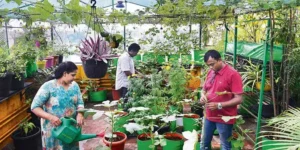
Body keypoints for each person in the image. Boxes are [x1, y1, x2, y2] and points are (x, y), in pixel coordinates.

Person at [31, 61, 84, 150]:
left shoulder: (75, 86)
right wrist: (50, 117)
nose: (74, 78)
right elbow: (34, 107)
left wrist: (80, 114)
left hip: (71, 128)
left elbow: (80, 103)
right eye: (73, 75)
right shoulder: (48, 86)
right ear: (64, 73)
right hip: (54, 130)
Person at [200, 50, 243, 150]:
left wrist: (219, 105)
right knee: (204, 144)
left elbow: (239, 99)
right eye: (208, 65)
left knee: (225, 145)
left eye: (212, 64)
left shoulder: (233, 74)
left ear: (220, 60)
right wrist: (203, 96)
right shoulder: (211, 72)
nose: (210, 67)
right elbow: (204, 90)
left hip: (224, 117)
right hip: (209, 116)